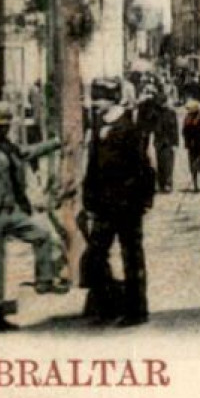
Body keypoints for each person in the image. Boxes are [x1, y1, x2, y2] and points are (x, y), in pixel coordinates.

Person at [0, 102, 66, 332]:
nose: (3, 130)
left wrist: (55, 143)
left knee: (42, 235)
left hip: (12, 211)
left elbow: (26, 153)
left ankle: (43, 281)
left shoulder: (7, 146)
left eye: (5, 126)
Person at [81, 104, 156, 327]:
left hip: (127, 205)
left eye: (101, 98)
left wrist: (143, 200)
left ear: (113, 102)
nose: (95, 103)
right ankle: (107, 305)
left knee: (131, 257)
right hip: (104, 206)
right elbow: (92, 169)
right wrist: (89, 200)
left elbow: (145, 168)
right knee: (95, 255)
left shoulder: (130, 130)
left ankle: (136, 311)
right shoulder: (98, 128)